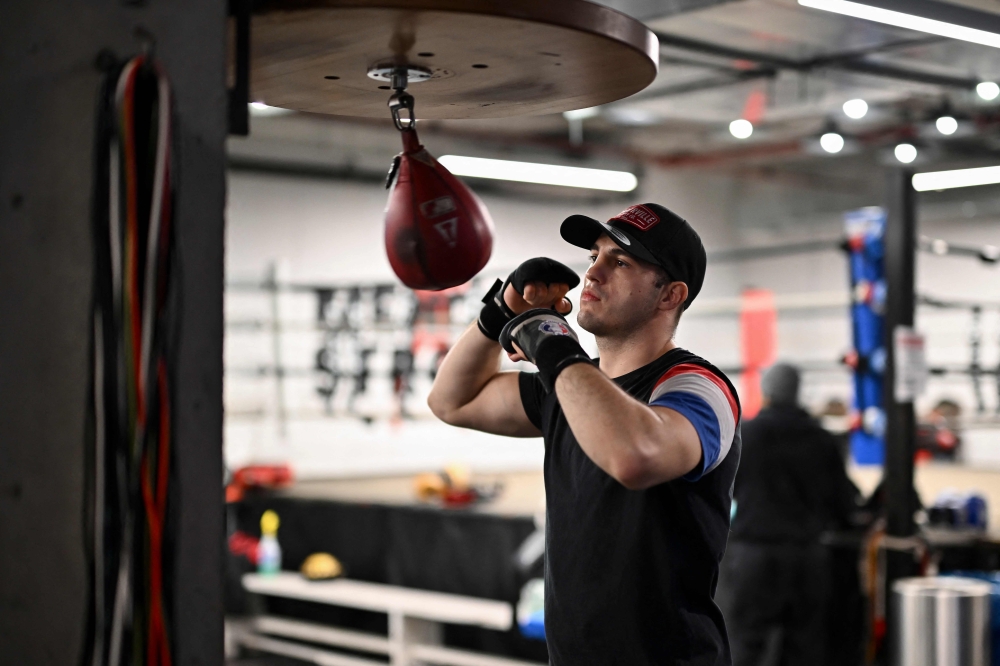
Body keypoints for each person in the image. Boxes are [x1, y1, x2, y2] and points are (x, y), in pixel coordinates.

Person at [428, 203, 741, 666]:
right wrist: (497, 315)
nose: (592, 273)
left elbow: (635, 454)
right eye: (596, 254)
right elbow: (451, 401)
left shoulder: (696, 386)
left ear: (670, 295)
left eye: (620, 262)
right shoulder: (566, 387)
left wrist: (555, 350)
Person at [719, 363, 859, 666]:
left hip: (753, 558)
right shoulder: (822, 440)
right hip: (807, 559)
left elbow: (720, 494)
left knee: (744, 645)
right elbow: (844, 505)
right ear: (798, 393)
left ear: (766, 392)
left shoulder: (746, 436)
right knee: (803, 649)